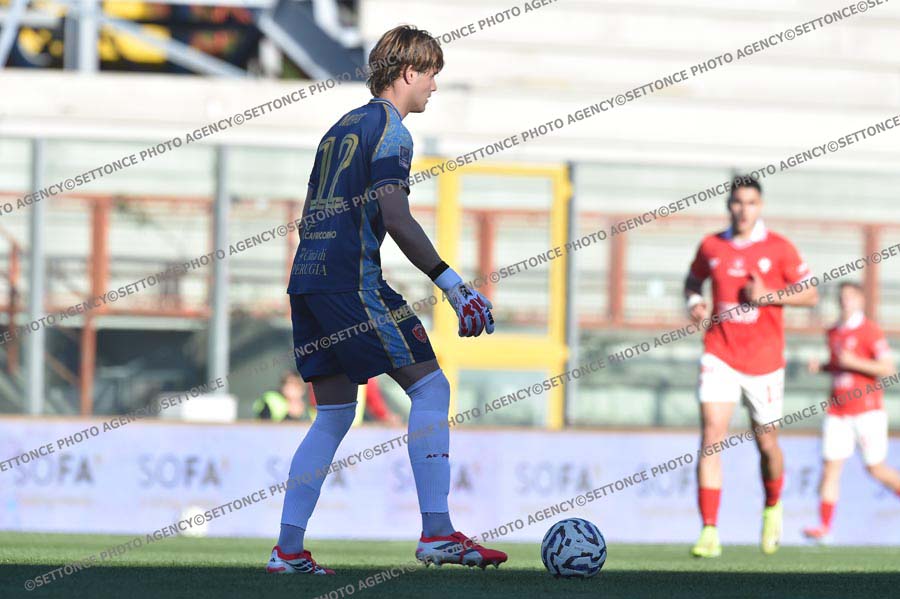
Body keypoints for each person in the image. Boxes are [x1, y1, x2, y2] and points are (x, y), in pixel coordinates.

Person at [266, 25, 505, 575]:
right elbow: (396, 216)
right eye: (431, 75)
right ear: (408, 72)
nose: (434, 87)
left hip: (307, 279)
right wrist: (452, 284)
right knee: (430, 385)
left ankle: (287, 550)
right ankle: (438, 532)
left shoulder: (339, 128)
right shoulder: (392, 132)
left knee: (332, 415)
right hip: (350, 282)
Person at [683, 175, 818, 557]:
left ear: (761, 206)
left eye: (751, 203)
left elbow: (811, 294)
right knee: (711, 436)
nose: (744, 210)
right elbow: (692, 280)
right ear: (729, 205)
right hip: (720, 353)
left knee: (767, 443)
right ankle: (709, 531)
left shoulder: (779, 247)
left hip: (764, 361)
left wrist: (768, 296)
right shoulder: (712, 245)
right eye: (738, 202)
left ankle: (772, 505)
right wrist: (694, 302)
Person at [803, 282, 898, 542]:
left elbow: (888, 368)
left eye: (851, 297)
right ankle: (824, 528)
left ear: (860, 300)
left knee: (876, 469)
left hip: (867, 411)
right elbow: (840, 366)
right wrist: (823, 367)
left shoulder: (870, 330)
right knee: (830, 467)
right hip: (838, 411)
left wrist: (854, 362)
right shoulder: (833, 331)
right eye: (842, 297)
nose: (845, 301)